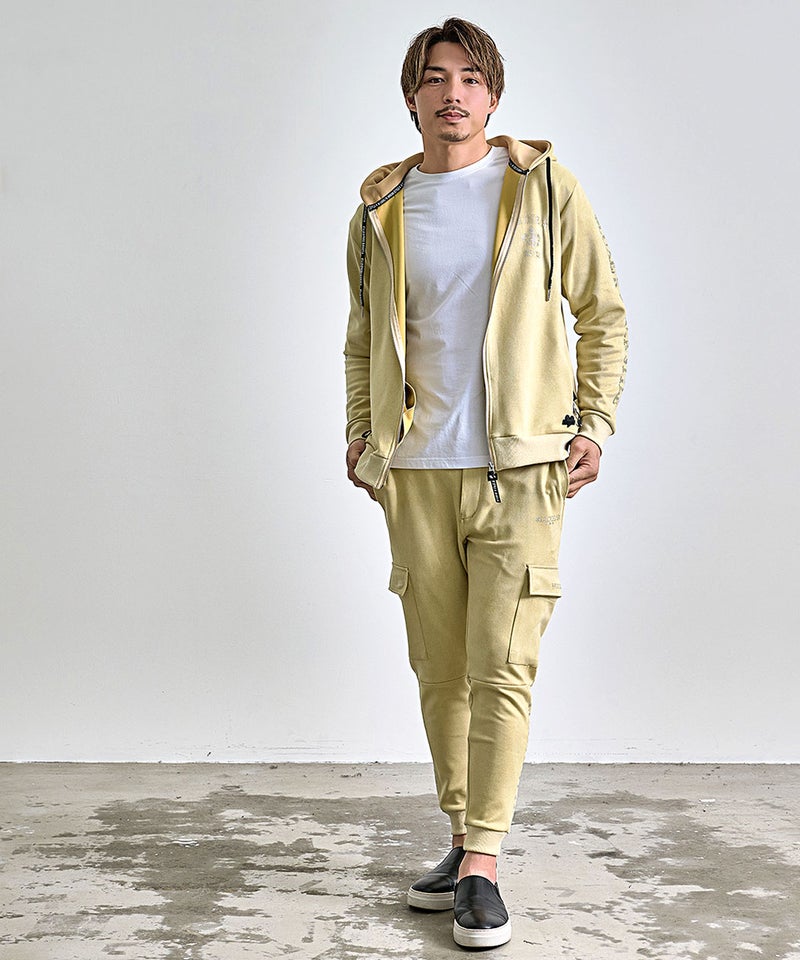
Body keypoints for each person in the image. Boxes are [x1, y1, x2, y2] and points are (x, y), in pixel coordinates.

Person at [343, 17, 627, 950]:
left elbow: (602, 311)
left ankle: (485, 863)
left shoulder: (541, 188)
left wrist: (594, 423)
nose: (453, 93)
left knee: (502, 668)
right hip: (417, 473)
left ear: (493, 96)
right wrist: (362, 435)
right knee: (440, 672)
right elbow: (361, 341)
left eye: (470, 77)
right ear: (412, 97)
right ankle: (463, 835)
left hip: (522, 470)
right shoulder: (380, 210)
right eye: (435, 78)